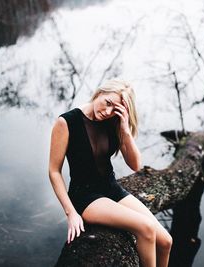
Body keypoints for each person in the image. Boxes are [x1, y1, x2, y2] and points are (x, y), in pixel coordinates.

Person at [48, 79, 172, 267]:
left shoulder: (112, 122)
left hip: (111, 188)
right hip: (86, 196)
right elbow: (54, 171)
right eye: (107, 103)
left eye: (114, 109)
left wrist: (125, 130)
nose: (107, 112)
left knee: (165, 242)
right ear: (99, 93)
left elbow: (136, 165)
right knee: (145, 228)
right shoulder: (66, 122)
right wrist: (71, 213)